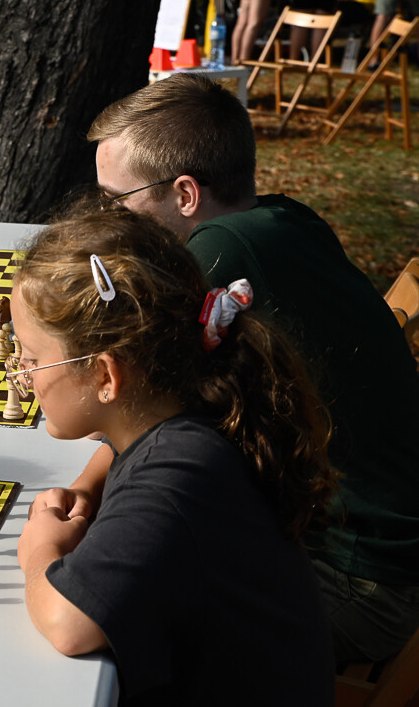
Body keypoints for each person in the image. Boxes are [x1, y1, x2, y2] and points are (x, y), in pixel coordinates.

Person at [83, 73, 419, 665]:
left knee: (120, 635)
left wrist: (82, 490)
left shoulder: (224, 249)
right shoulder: (283, 219)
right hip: (355, 543)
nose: (110, 217)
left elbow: (143, 397)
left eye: (117, 200)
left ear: (185, 194)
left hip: (361, 582)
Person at [14, 208, 336, 703]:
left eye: (32, 359)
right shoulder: (186, 412)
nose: (21, 372)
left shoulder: (179, 475)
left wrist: (38, 549)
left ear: (105, 376)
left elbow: (68, 623)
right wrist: (86, 486)